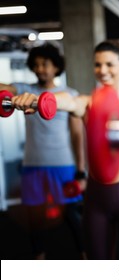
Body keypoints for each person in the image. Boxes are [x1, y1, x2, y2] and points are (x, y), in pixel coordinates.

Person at [12, 40, 119, 259]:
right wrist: (40, 100)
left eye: (109, 64)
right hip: (96, 197)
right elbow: (67, 101)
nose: (102, 71)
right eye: (97, 65)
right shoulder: (87, 102)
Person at [0, 43, 87, 260]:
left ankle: (86, 257)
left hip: (63, 164)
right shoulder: (24, 90)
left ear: (56, 67)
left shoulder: (69, 95)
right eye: (37, 64)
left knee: (72, 216)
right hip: (32, 164)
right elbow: (5, 88)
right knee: (35, 218)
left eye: (45, 64)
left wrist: (81, 170)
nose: (41, 69)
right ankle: (39, 259)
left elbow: (77, 135)